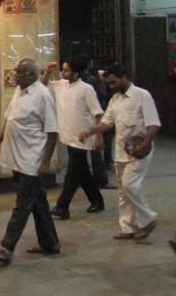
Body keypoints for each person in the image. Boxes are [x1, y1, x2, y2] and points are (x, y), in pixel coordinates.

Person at [0, 58, 60, 265]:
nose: (15, 74)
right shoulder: (20, 91)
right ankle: (50, 243)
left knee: (23, 204)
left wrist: (46, 162)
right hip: (16, 157)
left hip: (32, 158)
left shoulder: (43, 95)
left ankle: (7, 247)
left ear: (31, 74)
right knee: (37, 202)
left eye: (19, 71)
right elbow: (9, 119)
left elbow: (53, 132)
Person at [78, 63, 161, 240]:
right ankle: (128, 228)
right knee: (124, 191)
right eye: (109, 83)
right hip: (121, 151)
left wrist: (144, 146)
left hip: (140, 152)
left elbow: (153, 125)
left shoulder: (142, 95)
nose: (111, 86)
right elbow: (106, 123)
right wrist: (90, 132)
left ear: (125, 77)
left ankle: (148, 219)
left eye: (114, 82)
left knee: (131, 185)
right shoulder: (115, 99)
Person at [40, 56, 105, 220]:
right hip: (68, 136)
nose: (63, 72)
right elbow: (42, 85)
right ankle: (97, 200)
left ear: (76, 72)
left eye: (67, 70)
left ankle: (63, 206)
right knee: (82, 172)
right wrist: (48, 72)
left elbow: (98, 114)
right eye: (63, 69)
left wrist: (99, 137)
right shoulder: (60, 85)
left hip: (82, 138)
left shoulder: (86, 89)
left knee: (72, 174)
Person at [79, 57, 116, 189]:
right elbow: (101, 97)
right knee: (96, 152)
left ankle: (81, 180)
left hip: (80, 122)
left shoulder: (72, 82)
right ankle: (101, 179)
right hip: (95, 119)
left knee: (79, 154)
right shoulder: (91, 80)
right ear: (88, 64)